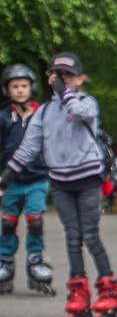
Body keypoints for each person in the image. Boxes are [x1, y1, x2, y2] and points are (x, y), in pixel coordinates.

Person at [1, 53, 117, 317]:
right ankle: (79, 292)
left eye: (68, 75)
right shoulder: (44, 112)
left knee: (90, 236)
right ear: (50, 78)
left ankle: (108, 290)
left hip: (87, 180)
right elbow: (28, 148)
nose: (63, 80)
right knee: (72, 237)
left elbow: (80, 113)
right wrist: (6, 178)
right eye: (58, 75)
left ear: (80, 79)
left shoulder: (86, 102)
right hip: (61, 183)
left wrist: (66, 94)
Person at [0, 64, 55, 295]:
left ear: (31, 87)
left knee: (34, 220)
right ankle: (5, 262)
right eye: (15, 86)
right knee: (8, 222)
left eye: (24, 86)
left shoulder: (43, 114)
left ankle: (36, 260)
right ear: (8, 91)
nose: (20, 90)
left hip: (38, 178)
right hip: (11, 181)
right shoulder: (3, 117)